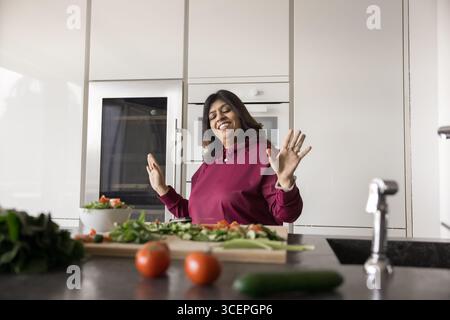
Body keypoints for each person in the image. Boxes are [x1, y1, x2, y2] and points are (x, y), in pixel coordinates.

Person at [146, 90, 312, 225]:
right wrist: (162, 189)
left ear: (240, 115)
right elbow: (193, 213)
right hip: (208, 255)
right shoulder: (208, 164)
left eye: (226, 110)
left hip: (247, 256)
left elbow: (286, 215)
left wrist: (285, 181)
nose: (219, 117)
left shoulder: (263, 153)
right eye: (212, 116)